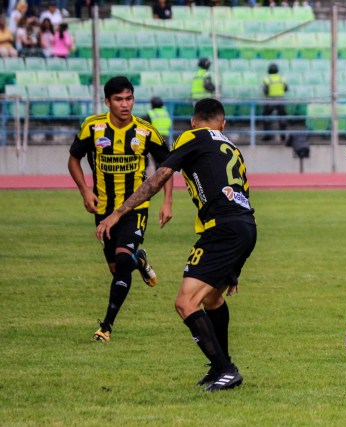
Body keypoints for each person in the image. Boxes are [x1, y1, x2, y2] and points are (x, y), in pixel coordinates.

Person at [95, 98, 257, 392]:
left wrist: (118, 213)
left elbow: (159, 177)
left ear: (194, 122)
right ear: (223, 124)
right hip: (245, 227)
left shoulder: (193, 136)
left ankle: (225, 369)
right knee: (211, 300)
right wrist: (233, 268)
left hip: (221, 230)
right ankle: (220, 366)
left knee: (185, 302)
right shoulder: (231, 146)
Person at [67, 76, 174, 342]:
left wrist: (167, 202)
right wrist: (85, 191)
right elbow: (73, 159)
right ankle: (140, 261)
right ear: (107, 101)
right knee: (118, 269)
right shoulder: (93, 128)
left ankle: (106, 326)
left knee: (123, 261)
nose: (125, 105)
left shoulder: (146, 131)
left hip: (136, 207)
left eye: (129, 99)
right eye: (118, 99)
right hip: (103, 208)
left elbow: (167, 166)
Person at [261, 62, 288, 142]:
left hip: (270, 100)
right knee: (282, 117)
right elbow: (286, 89)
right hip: (280, 100)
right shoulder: (282, 78)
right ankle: (283, 136)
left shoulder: (267, 79)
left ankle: (268, 135)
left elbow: (265, 91)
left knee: (266, 116)